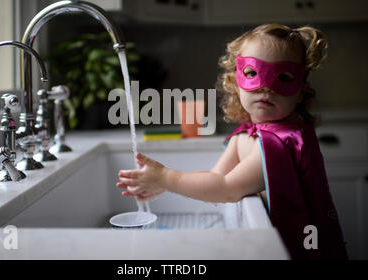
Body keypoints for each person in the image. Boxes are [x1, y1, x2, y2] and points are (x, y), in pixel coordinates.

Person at [116, 24, 348, 260]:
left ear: (301, 91)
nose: (265, 86)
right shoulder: (246, 135)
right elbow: (214, 179)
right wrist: (164, 185)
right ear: (235, 82)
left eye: (284, 77)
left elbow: (226, 190)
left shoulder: (280, 144)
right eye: (252, 73)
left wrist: (166, 177)